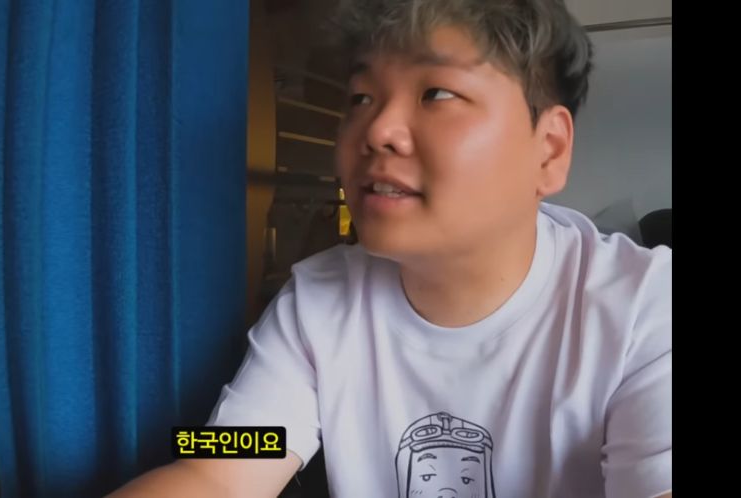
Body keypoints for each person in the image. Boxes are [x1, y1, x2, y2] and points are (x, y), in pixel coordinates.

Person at [110, 0, 671, 496]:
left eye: (437, 93)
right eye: (360, 97)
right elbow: (222, 471)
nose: (377, 129)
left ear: (548, 150)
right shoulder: (317, 301)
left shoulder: (644, 306)